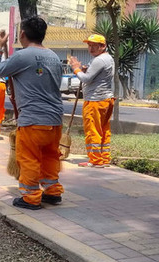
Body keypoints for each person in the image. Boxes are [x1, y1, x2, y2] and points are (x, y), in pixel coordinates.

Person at [0, 17, 65, 210]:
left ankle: (31, 197)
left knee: (29, 158)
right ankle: (53, 192)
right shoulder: (54, 57)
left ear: (22, 34)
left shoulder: (22, 56)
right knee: (50, 156)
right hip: (55, 120)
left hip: (33, 120)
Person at [69, 34, 114, 168]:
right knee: (104, 129)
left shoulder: (99, 60)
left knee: (93, 130)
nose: (91, 48)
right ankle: (104, 158)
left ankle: (95, 160)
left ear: (103, 46)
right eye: (89, 45)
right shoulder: (108, 58)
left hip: (95, 100)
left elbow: (86, 79)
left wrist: (76, 68)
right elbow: (95, 74)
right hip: (106, 99)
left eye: (94, 46)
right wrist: (85, 69)